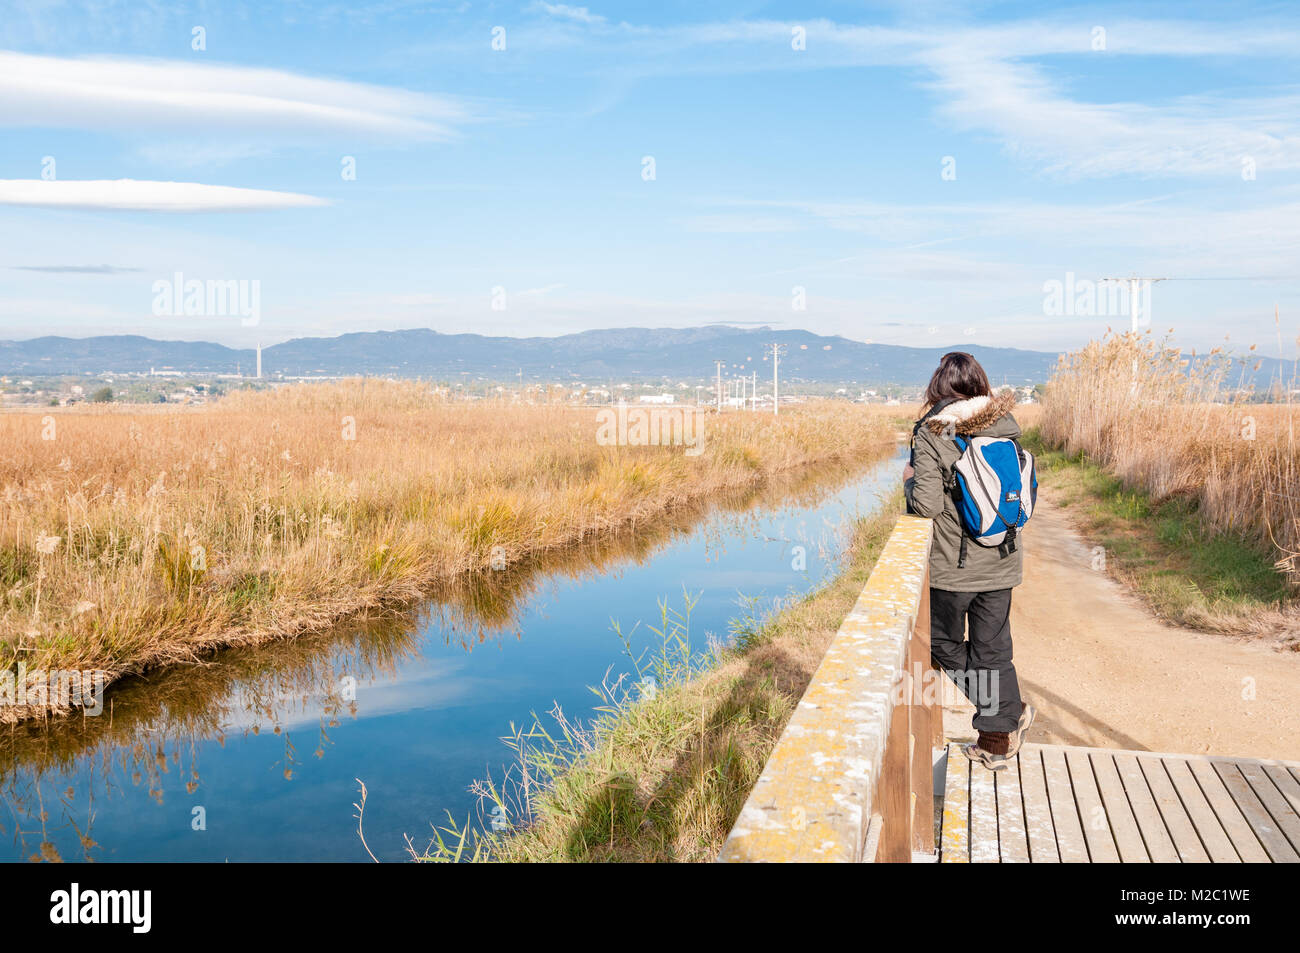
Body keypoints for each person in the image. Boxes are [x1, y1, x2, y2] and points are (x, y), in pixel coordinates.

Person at [903, 352, 1035, 770]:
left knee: (939, 644)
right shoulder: (1006, 425)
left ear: (938, 389)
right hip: (1002, 558)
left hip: (953, 569)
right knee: (993, 650)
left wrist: (908, 483)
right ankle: (997, 742)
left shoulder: (932, 432)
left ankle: (1006, 713)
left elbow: (924, 505)